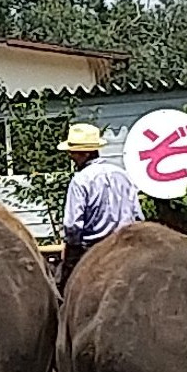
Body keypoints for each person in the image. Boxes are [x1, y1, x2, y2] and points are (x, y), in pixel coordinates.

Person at [57, 123, 144, 292]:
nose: (70, 155)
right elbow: (138, 215)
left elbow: (72, 225)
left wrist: (71, 250)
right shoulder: (122, 175)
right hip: (125, 245)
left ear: (85, 153)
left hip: (91, 249)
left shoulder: (81, 180)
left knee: (64, 292)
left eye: (73, 151)